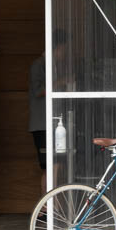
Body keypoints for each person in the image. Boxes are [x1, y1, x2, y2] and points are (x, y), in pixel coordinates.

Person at [28, 30, 69, 170]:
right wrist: (60, 82)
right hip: (42, 125)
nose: (65, 54)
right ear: (57, 48)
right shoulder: (39, 65)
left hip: (54, 124)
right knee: (48, 167)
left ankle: (54, 191)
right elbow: (39, 91)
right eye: (64, 49)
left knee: (57, 164)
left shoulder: (55, 66)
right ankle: (49, 192)